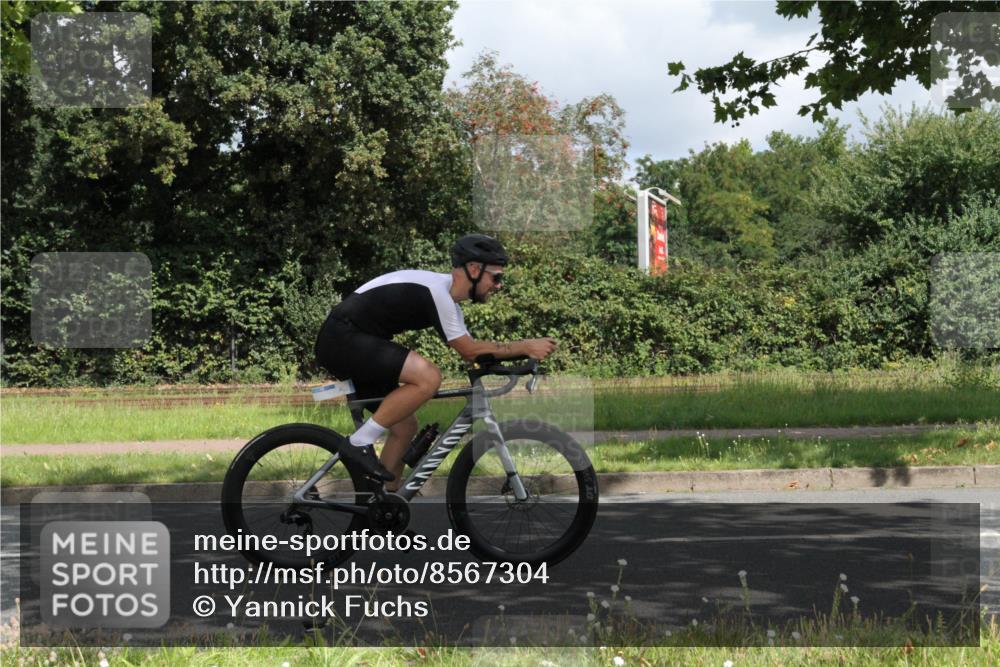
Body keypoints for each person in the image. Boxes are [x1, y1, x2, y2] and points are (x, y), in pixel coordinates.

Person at [314, 234, 558, 486]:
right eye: (496, 277)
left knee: (405, 428)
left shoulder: (448, 303)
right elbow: (470, 351)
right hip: (343, 338)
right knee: (428, 377)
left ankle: (382, 509)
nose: (499, 285)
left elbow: (477, 354)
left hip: (357, 342)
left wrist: (518, 359)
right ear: (474, 269)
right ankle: (359, 444)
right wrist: (526, 345)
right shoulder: (437, 292)